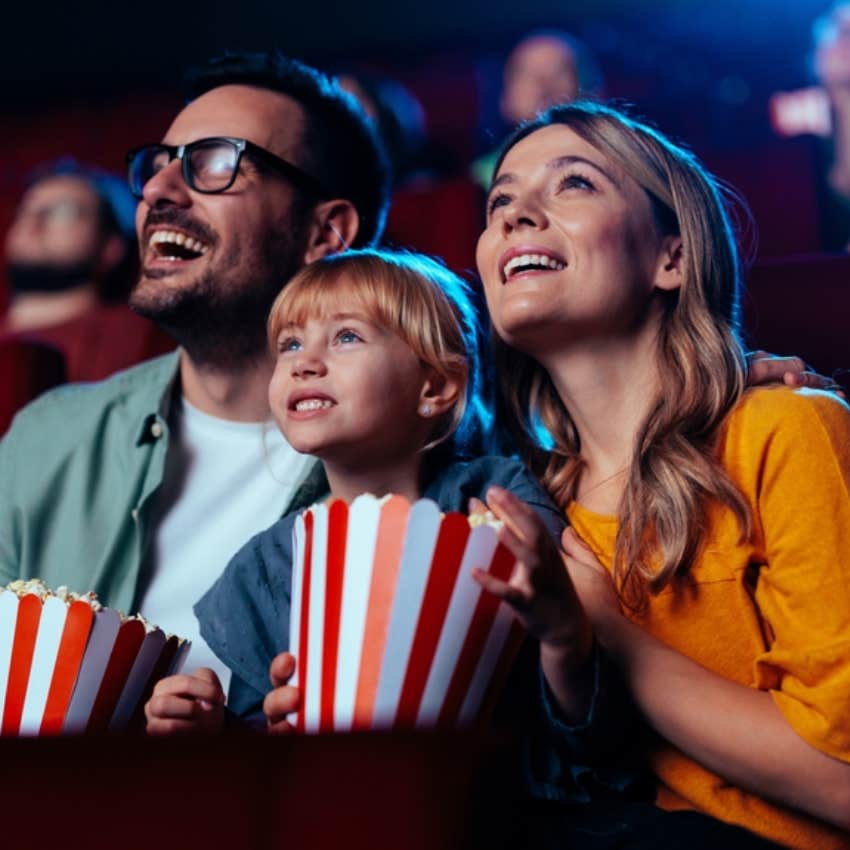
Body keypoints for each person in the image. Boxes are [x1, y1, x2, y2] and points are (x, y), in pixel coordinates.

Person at [476, 100, 850, 850]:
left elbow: (842, 778)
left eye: (572, 183)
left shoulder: (785, 429)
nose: (517, 215)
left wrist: (612, 631)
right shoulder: (523, 504)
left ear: (670, 258)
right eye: (500, 200)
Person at [0, 50, 391, 687]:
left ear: (326, 232)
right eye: (156, 166)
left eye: (213, 161)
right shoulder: (47, 440)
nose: (157, 190)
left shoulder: (417, 465)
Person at [1, 159, 171, 382]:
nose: (33, 221)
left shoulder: (138, 337)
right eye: (25, 210)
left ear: (111, 247)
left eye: (64, 213)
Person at [471, 30, 603, 189]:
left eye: (559, 72)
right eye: (527, 73)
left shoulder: (610, 163)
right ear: (505, 98)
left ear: (591, 91)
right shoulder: (477, 180)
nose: (543, 84)